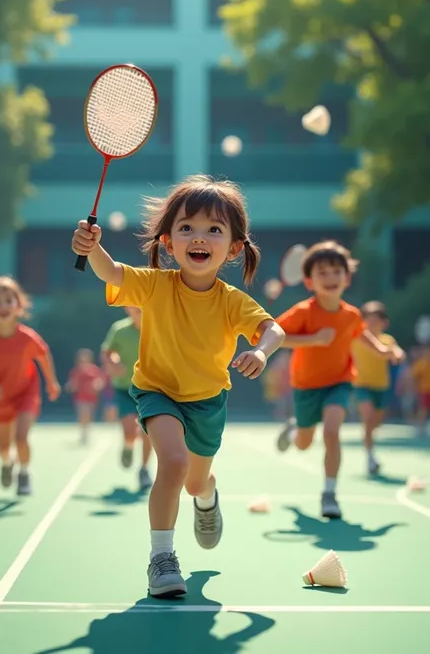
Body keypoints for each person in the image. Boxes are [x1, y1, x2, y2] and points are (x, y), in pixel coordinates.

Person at [71, 174, 284, 597]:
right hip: (157, 392)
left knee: (194, 481)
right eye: (186, 227)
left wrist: (261, 352)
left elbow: (273, 329)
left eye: (213, 229)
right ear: (168, 242)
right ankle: (162, 559)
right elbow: (111, 272)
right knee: (171, 462)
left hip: (206, 401)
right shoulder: (154, 284)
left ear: (234, 247)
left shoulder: (231, 300)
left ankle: (207, 499)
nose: (198, 237)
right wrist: (92, 247)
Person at [275, 241, 400, 519]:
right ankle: (295, 431)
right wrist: (312, 339)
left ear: (347, 277)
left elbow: (361, 333)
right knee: (305, 443)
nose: (330, 278)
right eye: (322, 272)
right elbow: (272, 337)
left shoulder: (352, 315)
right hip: (306, 385)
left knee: (332, 431)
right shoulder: (303, 312)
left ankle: (329, 494)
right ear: (309, 281)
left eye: (336, 271)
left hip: (340, 382)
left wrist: (381, 350)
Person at [0, 276, 61, 495]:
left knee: (21, 438)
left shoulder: (27, 337)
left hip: (27, 393)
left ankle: (24, 473)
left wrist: (51, 382)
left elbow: (43, 356)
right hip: (0, 397)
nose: (3, 307)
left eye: (8, 301)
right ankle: (7, 463)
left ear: (18, 306)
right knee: (3, 448)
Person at [101, 307, 153, 490]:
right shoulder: (119, 329)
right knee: (130, 431)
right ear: (127, 307)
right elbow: (108, 352)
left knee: (149, 432)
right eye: (134, 303)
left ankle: (144, 469)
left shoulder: (158, 328)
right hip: (124, 388)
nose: (139, 306)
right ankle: (129, 446)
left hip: (151, 389)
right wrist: (113, 362)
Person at [352, 301, 405, 475]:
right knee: (368, 419)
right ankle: (370, 457)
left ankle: (368, 440)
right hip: (361, 385)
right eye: (368, 320)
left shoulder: (387, 340)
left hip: (382, 387)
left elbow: (397, 351)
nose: (372, 324)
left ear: (384, 323)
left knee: (376, 422)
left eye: (376, 321)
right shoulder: (356, 338)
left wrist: (397, 354)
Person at [66, 348, 106, 445]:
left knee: (89, 415)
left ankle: (86, 430)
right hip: (80, 398)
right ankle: (83, 432)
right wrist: (71, 386)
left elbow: (100, 381)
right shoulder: (76, 371)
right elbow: (72, 383)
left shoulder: (94, 370)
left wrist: (95, 386)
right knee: (83, 413)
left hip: (91, 398)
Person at [410, 344, 430, 436]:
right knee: (423, 409)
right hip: (425, 390)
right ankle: (419, 427)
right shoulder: (421, 363)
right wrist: (416, 388)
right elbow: (414, 377)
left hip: (424, 390)